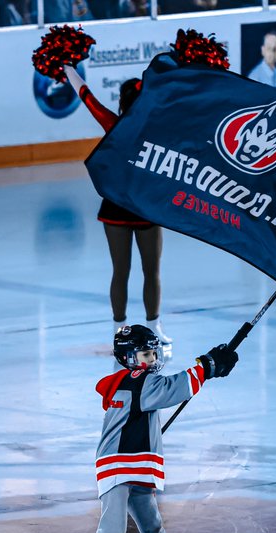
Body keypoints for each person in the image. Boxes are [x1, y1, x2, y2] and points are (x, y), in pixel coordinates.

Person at [77, 325, 238, 533]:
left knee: (152, 525)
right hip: (118, 465)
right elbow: (171, 388)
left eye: (153, 354)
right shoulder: (139, 381)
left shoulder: (132, 381)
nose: (152, 360)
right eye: (145, 355)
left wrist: (207, 368)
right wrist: (208, 367)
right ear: (128, 357)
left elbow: (158, 395)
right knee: (113, 529)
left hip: (135, 463)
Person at [63, 64, 172, 353]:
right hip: (128, 208)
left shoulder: (139, 127)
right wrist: (66, 68)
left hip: (138, 208)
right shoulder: (135, 127)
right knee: (134, 270)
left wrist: (68, 69)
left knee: (138, 270)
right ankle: (126, 328)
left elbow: (88, 98)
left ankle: (147, 326)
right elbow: (88, 99)